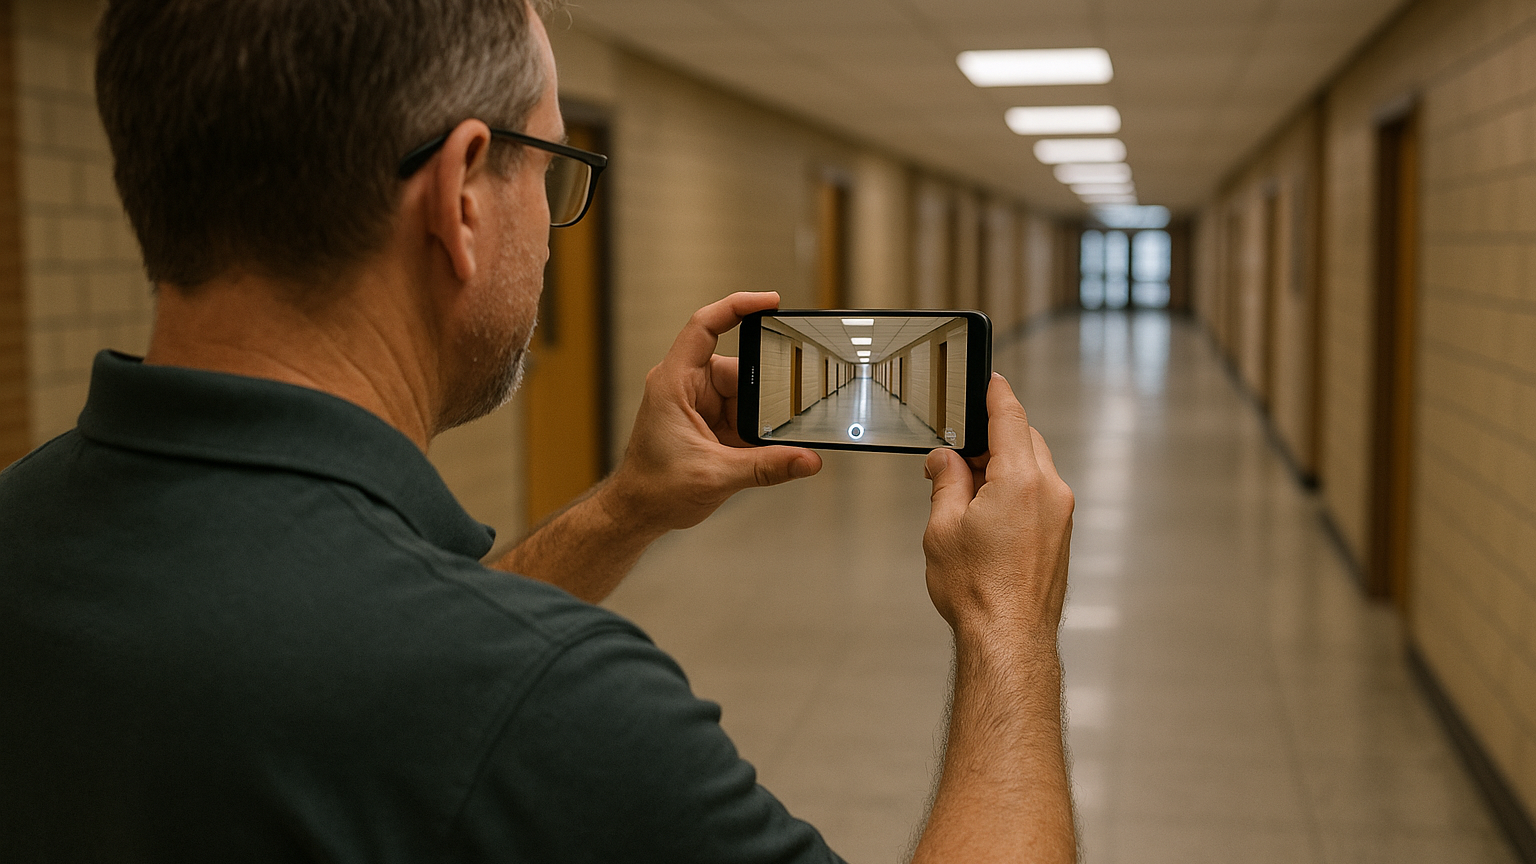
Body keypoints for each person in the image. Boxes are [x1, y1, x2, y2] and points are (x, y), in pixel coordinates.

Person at [0, 0, 1078, 860]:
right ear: (464, 193)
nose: (554, 230)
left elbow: (392, 663)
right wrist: (1008, 627)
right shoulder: (553, 706)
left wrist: (624, 509)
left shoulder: (25, 519)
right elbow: (443, 681)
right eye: (552, 169)